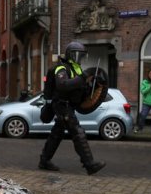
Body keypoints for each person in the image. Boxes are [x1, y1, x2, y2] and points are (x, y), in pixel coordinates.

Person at [38, 41, 106, 175]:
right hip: (62, 105)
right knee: (77, 131)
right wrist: (83, 77)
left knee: (57, 134)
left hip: (69, 105)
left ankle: (44, 160)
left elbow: (79, 88)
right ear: (70, 54)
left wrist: (93, 84)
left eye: (81, 55)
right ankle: (89, 164)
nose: (79, 58)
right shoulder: (61, 68)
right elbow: (62, 85)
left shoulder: (77, 69)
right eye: (77, 54)